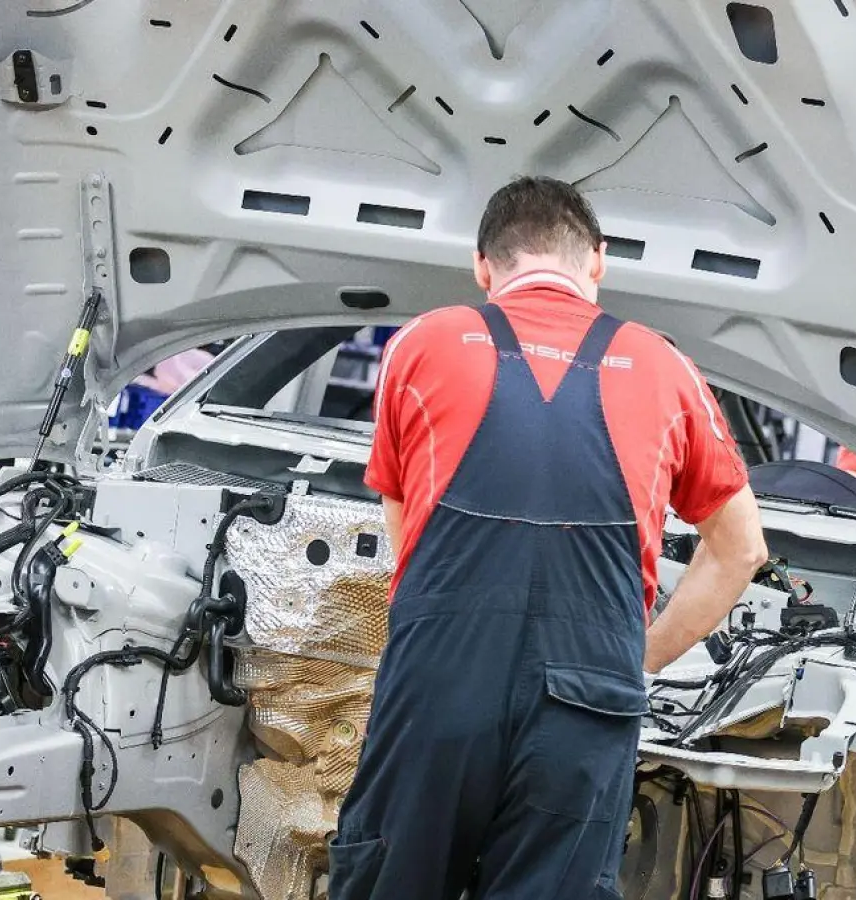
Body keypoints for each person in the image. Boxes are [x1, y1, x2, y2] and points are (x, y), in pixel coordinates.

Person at [326, 175, 769, 900]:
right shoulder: (667, 365)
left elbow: (406, 542)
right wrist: (638, 656)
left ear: (483, 267)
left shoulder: (421, 342)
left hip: (439, 684)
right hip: (589, 695)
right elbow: (742, 548)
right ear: (598, 261)